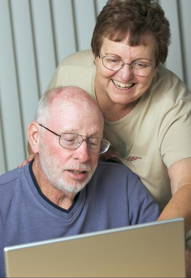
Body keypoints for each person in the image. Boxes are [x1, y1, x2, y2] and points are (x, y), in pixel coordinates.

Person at [46, 0, 191, 235]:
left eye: (141, 64)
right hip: (84, 226)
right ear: (95, 56)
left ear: (157, 67)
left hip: (156, 226)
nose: (125, 74)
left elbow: (187, 185)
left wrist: (159, 245)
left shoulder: (174, 102)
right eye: (112, 60)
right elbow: (44, 145)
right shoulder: (69, 75)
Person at [0, 86, 160, 278]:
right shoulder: (4, 201)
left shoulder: (124, 185)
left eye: (93, 142)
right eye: (69, 139)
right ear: (36, 138)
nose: (84, 156)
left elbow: (167, 265)